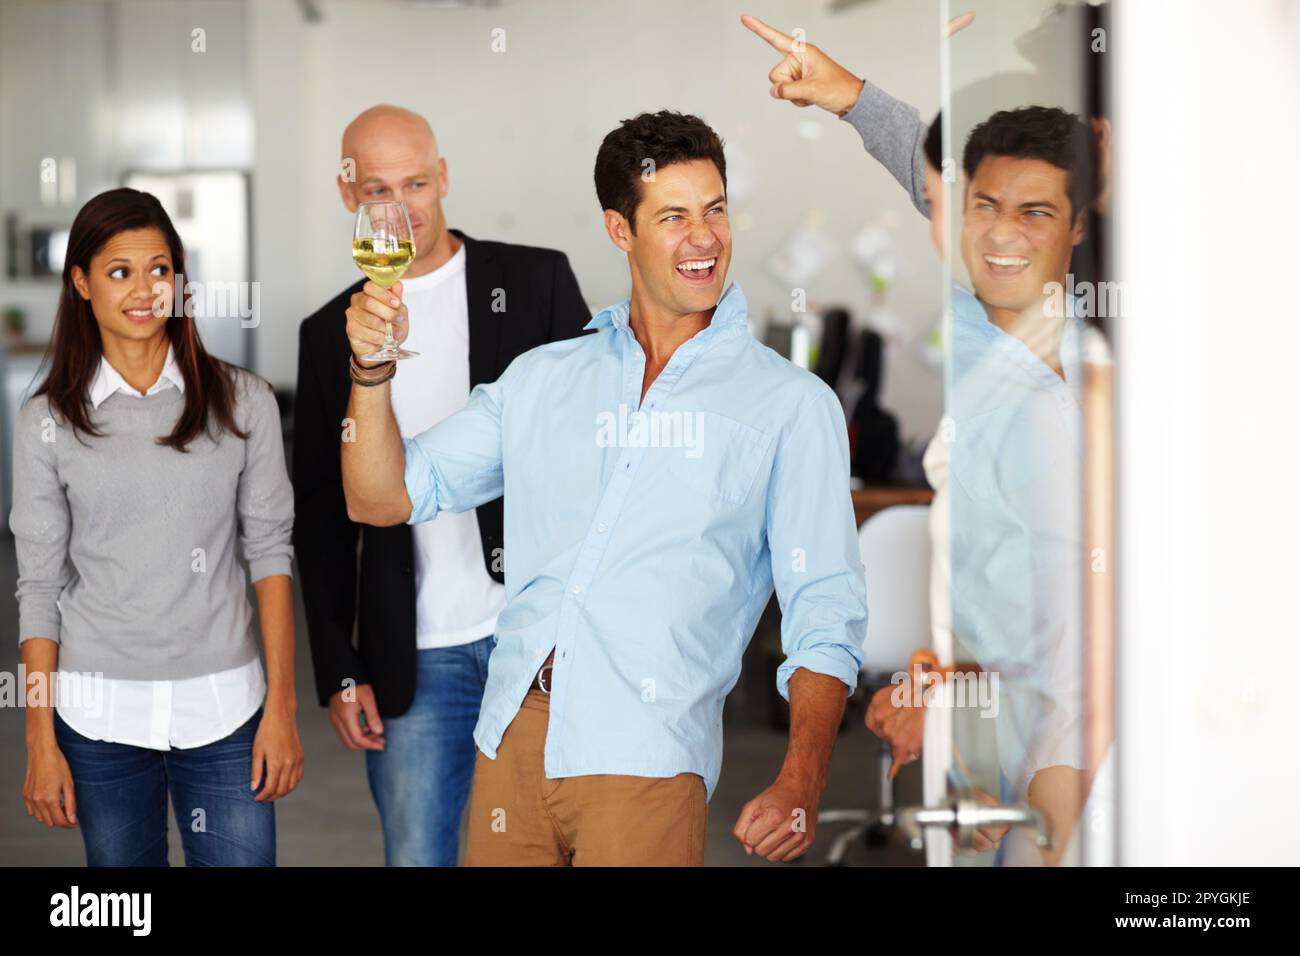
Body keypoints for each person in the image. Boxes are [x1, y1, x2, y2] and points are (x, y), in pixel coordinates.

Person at [341, 110, 867, 866]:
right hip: (513, 741)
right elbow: (381, 497)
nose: (705, 237)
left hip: (645, 754)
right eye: (675, 216)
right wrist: (370, 374)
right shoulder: (544, 378)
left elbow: (826, 608)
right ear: (621, 231)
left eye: (715, 210)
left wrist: (802, 777)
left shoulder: (789, 405)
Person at [744, 14, 1105, 863]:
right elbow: (943, 177)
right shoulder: (982, 308)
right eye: (968, 208)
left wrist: (955, 696)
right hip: (988, 728)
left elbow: (1076, 632)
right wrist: (847, 96)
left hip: (1063, 752)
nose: (992, 232)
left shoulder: (1069, 388)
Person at [294, 105, 591, 867]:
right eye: (378, 190)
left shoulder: (535, 281)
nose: (404, 207)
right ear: (346, 193)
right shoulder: (331, 332)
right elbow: (323, 520)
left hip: (538, 640)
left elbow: (598, 449)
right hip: (413, 654)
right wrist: (339, 666)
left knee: (550, 851)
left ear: (446, 176)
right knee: (420, 857)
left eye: (418, 183)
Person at [14, 187, 300, 866]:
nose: (145, 290)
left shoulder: (244, 403)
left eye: (160, 269)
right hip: (97, 719)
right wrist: (38, 741)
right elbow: (37, 588)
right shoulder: (45, 424)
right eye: (119, 272)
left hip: (228, 713)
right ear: (81, 282)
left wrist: (282, 712)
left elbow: (270, 555)